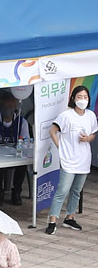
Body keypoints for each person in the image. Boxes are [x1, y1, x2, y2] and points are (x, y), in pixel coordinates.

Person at [46, 84, 96, 234]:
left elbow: (93, 134)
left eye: (85, 97)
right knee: (62, 190)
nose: (82, 100)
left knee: (76, 190)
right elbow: (52, 131)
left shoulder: (91, 115)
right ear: (73, 98)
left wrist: (88, 138)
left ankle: (70, 217)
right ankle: (52, 220)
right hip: (68, 159)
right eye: (79, 97)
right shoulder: (66, 115)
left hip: (84, 158)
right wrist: (60, 147)